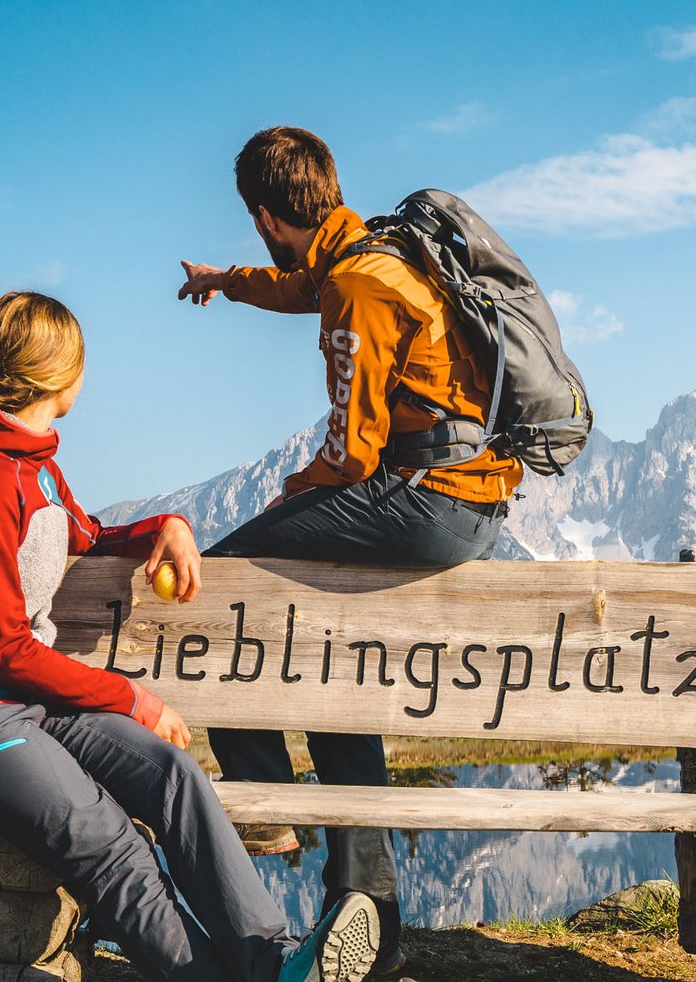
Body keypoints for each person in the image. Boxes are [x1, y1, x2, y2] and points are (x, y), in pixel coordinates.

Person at [0, 290, 380, 982]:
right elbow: (0, 646)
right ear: (66, 376)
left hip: (22, 701)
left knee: (173, 777)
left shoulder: (36, 467)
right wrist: (131, 698)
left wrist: (165, 526)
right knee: (105, 839)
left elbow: (90, 538)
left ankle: (269, 962)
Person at [176, 127, 523, 976]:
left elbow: (353, 454)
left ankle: (265, 806)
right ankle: (368, 917)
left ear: (263, 214)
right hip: (467, 490)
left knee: (219, 584)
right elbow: (302, 287)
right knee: (335, 674)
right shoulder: (374, 252)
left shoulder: (360, 287)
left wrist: (300, 489)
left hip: (429, 501)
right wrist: (227, 283)